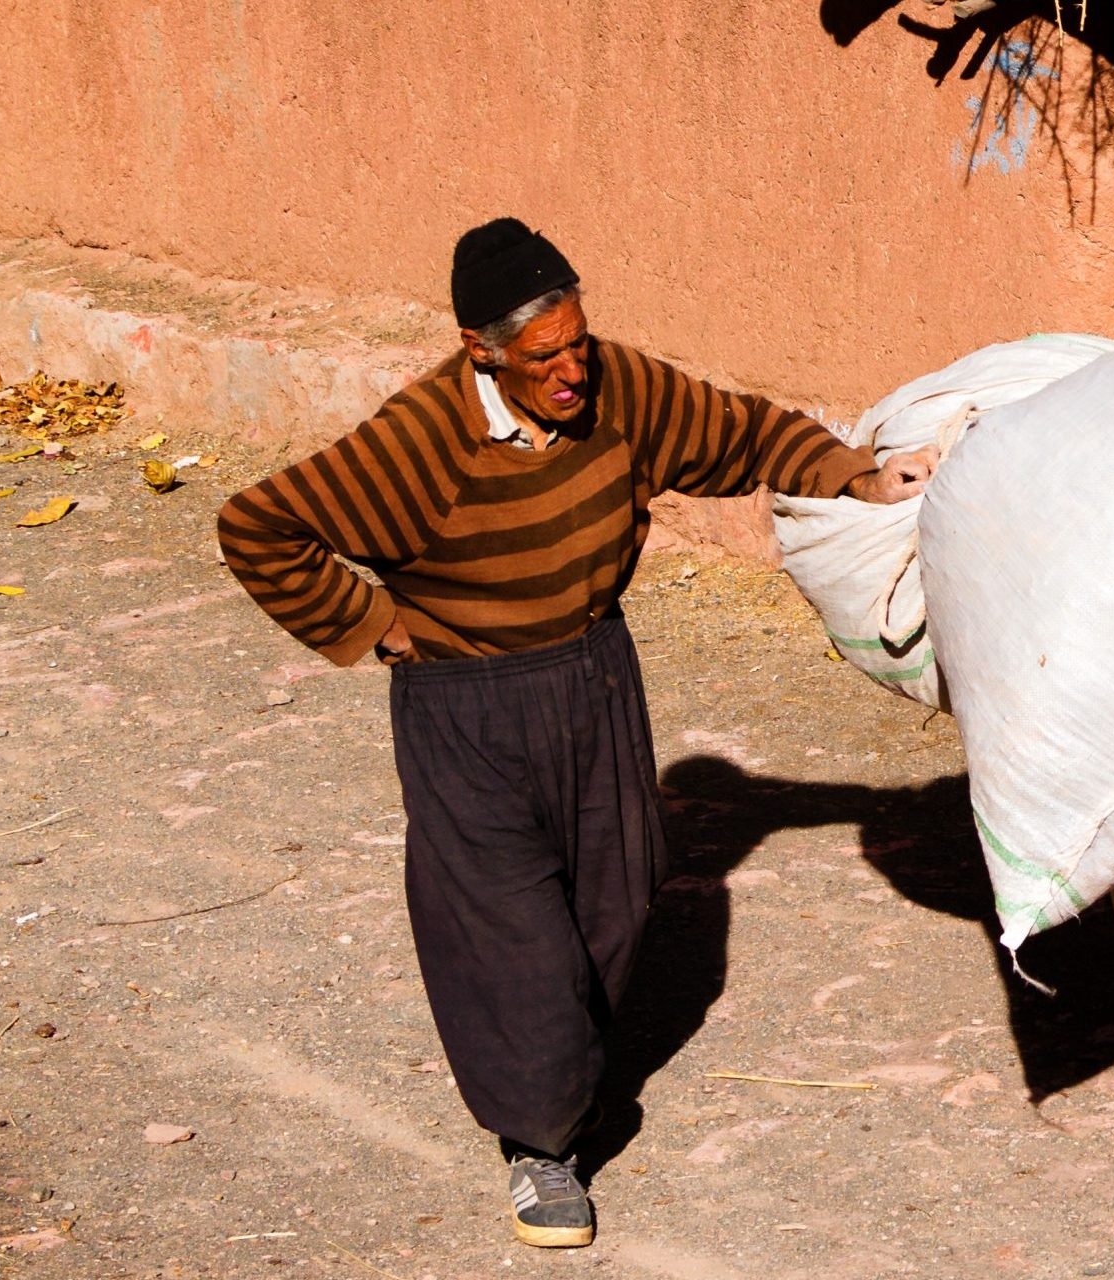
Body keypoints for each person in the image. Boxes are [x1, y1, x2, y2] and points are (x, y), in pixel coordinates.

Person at [216, 218, 934, 1248]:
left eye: (577, 343)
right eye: (543, 356)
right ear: (483, 351)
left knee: (622, 891)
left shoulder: (619, 391)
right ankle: (538, 1143)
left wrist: (857, 475)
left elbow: (738, 432)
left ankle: (560, 1076)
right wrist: (373, 625)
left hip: (594, 675)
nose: (569, 370)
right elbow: (258, 525)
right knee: (511, 931)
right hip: (466, 705)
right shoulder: (418, 442)